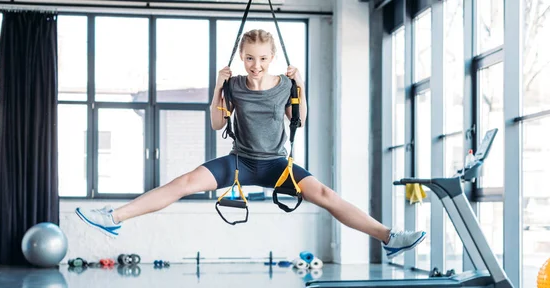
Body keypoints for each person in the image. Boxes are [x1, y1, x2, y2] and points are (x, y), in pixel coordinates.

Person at [76, 29, 426, 259]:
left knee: (327, 197)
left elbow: (298, 119)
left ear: (270, 57)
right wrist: (217, 87)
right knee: (182, 184)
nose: (255, 65)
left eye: (261, 59)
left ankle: (388, 237)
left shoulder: (284, 85)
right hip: (240, 162)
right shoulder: (234, 86)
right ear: (241, 57)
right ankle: (113, 216)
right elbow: (217, 124)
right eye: (249, 58)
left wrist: (300, 85)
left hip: (278, 165)